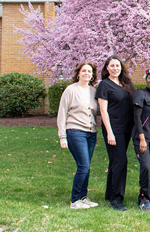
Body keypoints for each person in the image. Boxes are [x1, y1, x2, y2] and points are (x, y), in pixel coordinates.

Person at [95, 56, 135, 211]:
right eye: (112, 66)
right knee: (120, 161)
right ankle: (116, 199)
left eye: (117, 66)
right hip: (113, 128)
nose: (115, 68)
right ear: (107, 68)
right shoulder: (104, 85)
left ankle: (109, 193)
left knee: (115, 161)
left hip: (127, 128)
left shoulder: (126, 84)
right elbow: (103, 111)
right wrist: (110, 132)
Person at [57, 61, 99, 209]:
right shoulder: (71, 90)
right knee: (83, 165)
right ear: (78, 73)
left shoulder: (93, 91)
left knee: (86, 167)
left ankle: (83, 197)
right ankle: (75, 200)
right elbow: (62, 113)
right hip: (75, 131)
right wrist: (62, 136)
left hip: (91, 133)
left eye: (90, 72)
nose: (87, 74)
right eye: (84, 71)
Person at [131, 68, 150, 212]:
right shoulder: (140, 94)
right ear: (146, 79)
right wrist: (141, 138)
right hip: (142, 138)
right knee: (146, 167)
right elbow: (137, 118)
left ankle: (147, 193)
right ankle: (144, 197)